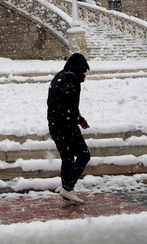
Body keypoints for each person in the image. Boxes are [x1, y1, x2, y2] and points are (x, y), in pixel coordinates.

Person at [46, 52, 91, 204]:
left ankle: (67, 195)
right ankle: (68, 187)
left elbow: (58, 102)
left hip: (55, 125)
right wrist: (74, 118)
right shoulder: (71, 78)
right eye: (83, 72)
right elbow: (67, 100)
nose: (83, 76)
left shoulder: (60, 76)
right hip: (66, 126)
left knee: (67, 158)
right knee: (84, 155)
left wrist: (79, 118)